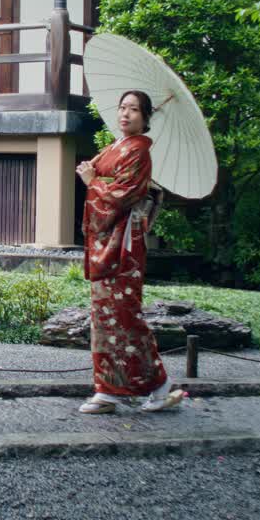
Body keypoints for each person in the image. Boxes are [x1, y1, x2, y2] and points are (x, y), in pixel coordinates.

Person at [74, 90, 182, 415]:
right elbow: (105, 181)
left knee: (125, 315)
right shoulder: (116, 146)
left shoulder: (138, 151)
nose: (125, 114)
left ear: (146, 118)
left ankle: (159, 386)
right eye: (122, 107)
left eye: (134, 109)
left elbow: (122, 195)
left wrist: (93, 181)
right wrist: (91, 173)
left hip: (123, 245)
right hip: (107, 240)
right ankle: (109, 391)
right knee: (105, 317)